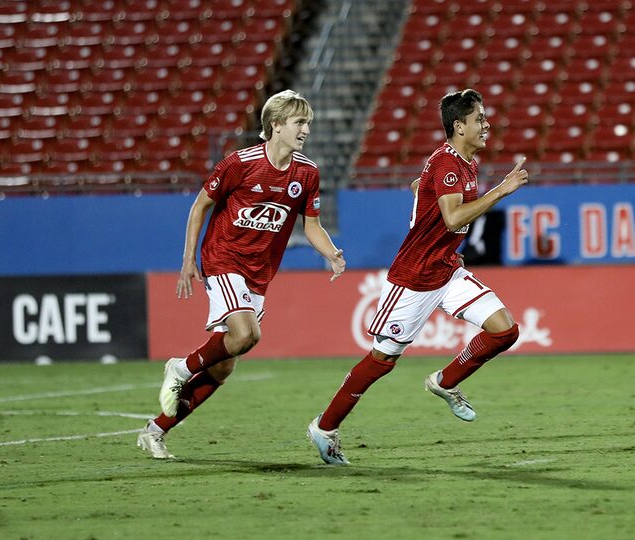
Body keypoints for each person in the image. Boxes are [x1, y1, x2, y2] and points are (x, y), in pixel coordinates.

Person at [307, 89, 529, 465]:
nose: (486, 124)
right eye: (479, 119)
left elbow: (421, 190)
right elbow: (454, 217)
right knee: (382, 359)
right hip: (414, 278)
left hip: (446, 269)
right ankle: (325, 427)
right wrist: (501, 190)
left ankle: (445, 381)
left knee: (505, 330)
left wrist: (423, 195)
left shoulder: (462, 163)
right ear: (459, 126)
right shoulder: (447, 164)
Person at [137, 90, 346, 459]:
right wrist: (188, 260)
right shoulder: (240, 163)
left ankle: (155, 430)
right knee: (247, 333)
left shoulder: (307, 173)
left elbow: (311, 225)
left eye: (308, 123)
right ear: (276, 125)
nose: (307, 130)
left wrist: (330, 253)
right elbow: (200, 206)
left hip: (258, 274)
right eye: (300, 122)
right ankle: (181, 366)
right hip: (222, 259)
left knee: (223, 368)